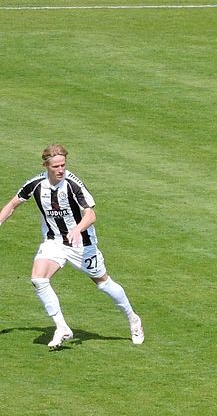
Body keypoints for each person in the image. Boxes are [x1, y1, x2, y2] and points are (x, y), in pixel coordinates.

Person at [0, 145, 144, 348]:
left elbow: (90, 215)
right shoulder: (36, 184)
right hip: (54, 241)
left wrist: (77, 229)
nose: (61, 170)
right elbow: (12, 205)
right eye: (56, 166)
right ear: (46, 166)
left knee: (103, 283)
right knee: (38, 278)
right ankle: (62, 328)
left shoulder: (73, 184)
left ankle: (133, 319)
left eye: (63, 165)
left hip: (82, 244)